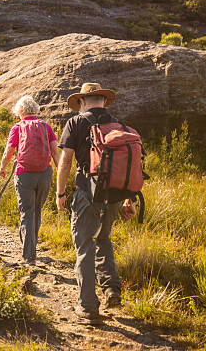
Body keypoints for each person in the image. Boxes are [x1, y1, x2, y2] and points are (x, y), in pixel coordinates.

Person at [55, 82, 136, 325]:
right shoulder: (119, 125)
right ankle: (112, 290)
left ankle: (88, 306)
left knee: (84, 246)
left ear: (81, 102)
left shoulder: (75, 122)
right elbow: (128, 166)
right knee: (102, 239)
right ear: (103, 101)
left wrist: (60, 194)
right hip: (115, 195)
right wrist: (128, 199)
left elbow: (66, 161)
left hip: (87, 192)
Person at [0, 96, 60, 266]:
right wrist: (60, 171)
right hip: (44, 174)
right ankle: (31, 246)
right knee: (36, 211)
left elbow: (9, 151)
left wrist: (2, 168)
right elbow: (55, 152)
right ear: (35, 110)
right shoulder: (46, 127)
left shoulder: (17, 127)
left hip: (24, 174)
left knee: (27, 212)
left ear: (20, 111)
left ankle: (29, 256)